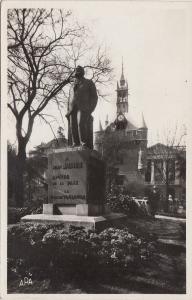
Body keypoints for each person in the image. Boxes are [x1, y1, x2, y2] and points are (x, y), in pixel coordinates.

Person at [66, 66, 98, 149]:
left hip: (83, 108)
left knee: (81, 124)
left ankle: (83, 143)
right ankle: (75, 143)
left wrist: (90, 109)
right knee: (73, 126)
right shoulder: (72, 86)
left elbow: (94, 97)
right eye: (75, 71)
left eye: (78, 71)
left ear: (82, 72)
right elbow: (69, 99)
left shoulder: (88, 83)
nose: (76, 73)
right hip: (72, 108)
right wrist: (68, 110)